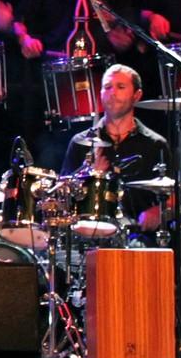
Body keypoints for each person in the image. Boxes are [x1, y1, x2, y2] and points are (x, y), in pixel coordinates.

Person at [60, 64, 171, 234]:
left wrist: (158, 211)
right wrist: (89, 177)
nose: (112, 92)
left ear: (137, 95)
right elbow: (63, 195)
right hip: (89, 234)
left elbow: (174, 196)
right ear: (100, 94)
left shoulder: (155, 144)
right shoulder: (81, 142)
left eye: (120, 87)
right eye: (107, 87)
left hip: (139, 235)